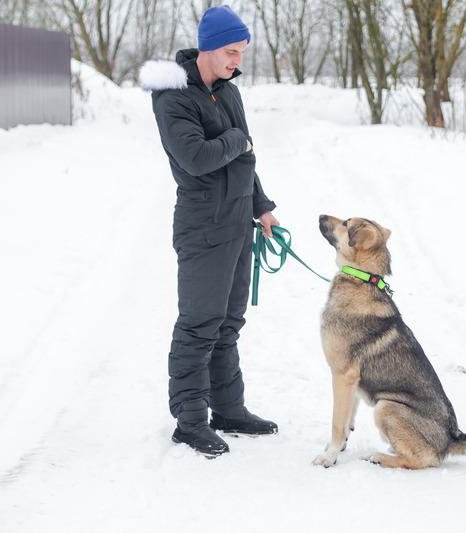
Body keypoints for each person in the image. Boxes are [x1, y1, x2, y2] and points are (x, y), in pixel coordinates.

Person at [141, 5, 279, 457]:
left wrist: (261, 207)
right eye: (231, 52)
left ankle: (228, 409)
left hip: (239, 220)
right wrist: (239, 139)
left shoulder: (227, 90)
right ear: (207, 48)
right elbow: (196, 158)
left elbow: (244, 158)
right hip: (203, 224)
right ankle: (190, 420)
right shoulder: (173, 96)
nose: (236, 62)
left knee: (229, 322)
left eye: (240, 54)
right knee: (200, 324)